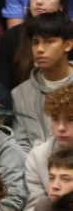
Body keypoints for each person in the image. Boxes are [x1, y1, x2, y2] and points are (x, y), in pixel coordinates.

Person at [13, 12, 73, 150]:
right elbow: (21, 145)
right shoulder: (20, 94)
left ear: (68, 45)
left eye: (49, 41)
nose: (40, 49)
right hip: (36, 168)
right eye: (35, 42)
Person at [25, 85, 73, 211]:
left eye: (70, 119)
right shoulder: (37, 156)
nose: (61, 128)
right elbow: (34, 206)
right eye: (55, 119)